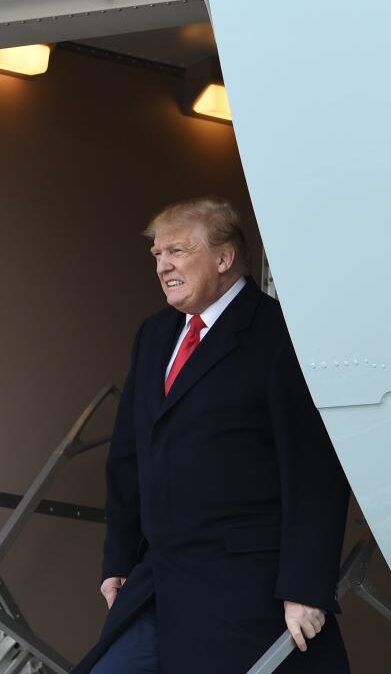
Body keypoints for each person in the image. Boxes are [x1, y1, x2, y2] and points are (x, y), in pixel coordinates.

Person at [73, 196, 350, 673]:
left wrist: (306, 588)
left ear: (223, 259)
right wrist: (118, 556)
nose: (163, 266)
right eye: (157, 255)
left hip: (246, 586)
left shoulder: (279, 334)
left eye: (177, 252)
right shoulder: (155, 333)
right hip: (157, 579)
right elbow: (129, 456)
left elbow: (313, 470)